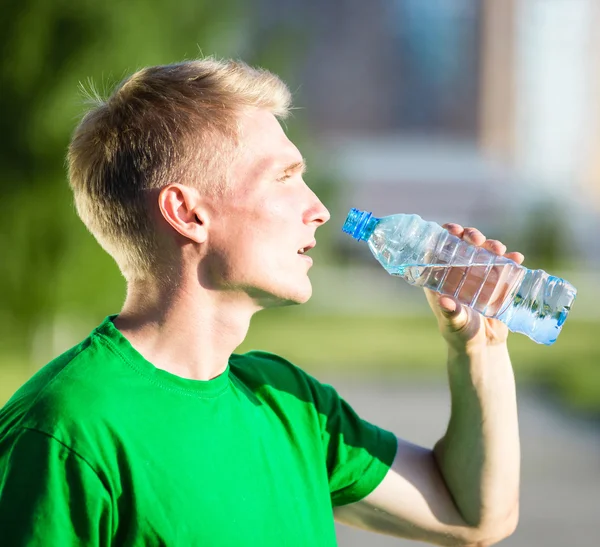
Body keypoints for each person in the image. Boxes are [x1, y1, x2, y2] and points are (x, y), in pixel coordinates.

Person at [0, 59, 520, 546]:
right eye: (284, 177)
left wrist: (479, 346)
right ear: (187, 212)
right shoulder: (63, 431)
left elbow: (474, 516)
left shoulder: (289, 401)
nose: (317, 209)